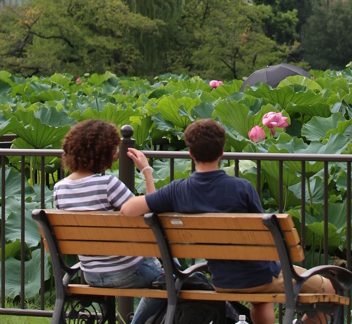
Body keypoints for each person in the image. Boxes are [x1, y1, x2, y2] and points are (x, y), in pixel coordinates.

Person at [122, 118, 334, 324]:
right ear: (222, 152)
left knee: (260, 302)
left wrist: (147, 173)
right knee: (330, 289)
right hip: (260, 276)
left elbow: (128, 209)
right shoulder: (242, 188)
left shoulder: (177, 190)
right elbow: (267, 238)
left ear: (191, 154)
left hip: (221, 279)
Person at [53, 119, 163, 324]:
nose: (116, 153)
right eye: (113, 148)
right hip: (128, 271)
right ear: (102, 152)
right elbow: (151, 215)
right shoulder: (108, 184)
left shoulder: (60, 189)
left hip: (92, 273)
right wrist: (147, 172)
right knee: (172, 279)